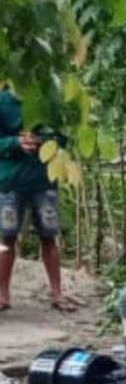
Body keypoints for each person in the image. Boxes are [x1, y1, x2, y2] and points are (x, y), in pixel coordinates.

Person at [0, 88, 74, 313]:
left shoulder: (47, 96)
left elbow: (63, 137)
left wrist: (44, 141)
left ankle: (57, 293)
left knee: (49, 237)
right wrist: (15, 143)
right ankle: (2, 295)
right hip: (10, 182)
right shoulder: (3, 101)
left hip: (43, 181)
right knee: (6, 238)